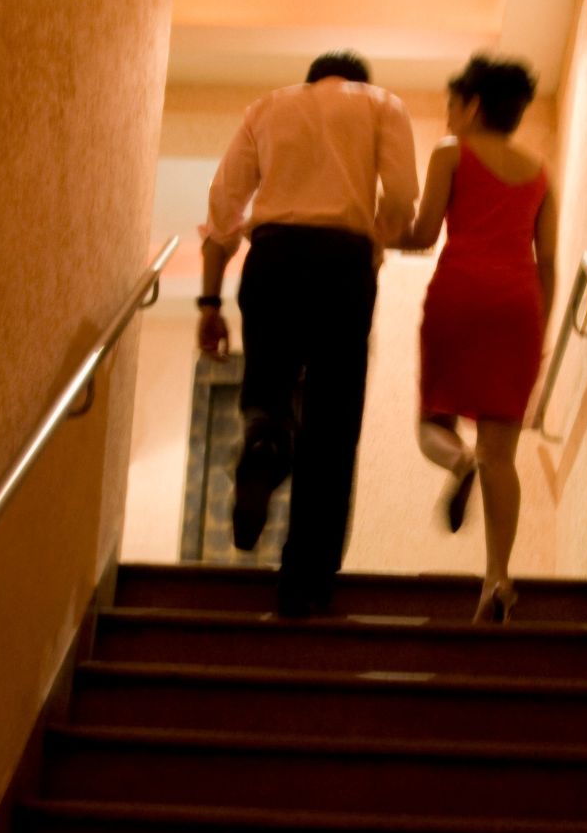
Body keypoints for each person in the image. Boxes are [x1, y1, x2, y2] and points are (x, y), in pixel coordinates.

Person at [198, 51, 419, 617]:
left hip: (272, 257)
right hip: (341, 263)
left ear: (312, 75)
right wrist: (375, 244)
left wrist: (207, 302)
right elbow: (397, 196)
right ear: (358, 78)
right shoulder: (382, 106)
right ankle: (306, 582)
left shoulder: (267, 107)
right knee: (332, 422)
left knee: (268, 387)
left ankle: (265, 441)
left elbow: (223, 208)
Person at [395, 56, 557, 623]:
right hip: (517, 311)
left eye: (452, 104)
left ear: (473, 105)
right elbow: (549, 264)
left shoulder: (451, 152)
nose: (448, 115)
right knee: (503, 456)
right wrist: (538, 335)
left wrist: (371, 228)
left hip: (460, 296)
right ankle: (497, 579)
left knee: (430, 425)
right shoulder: (540, 172)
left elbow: (421, 233)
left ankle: (458, 465)